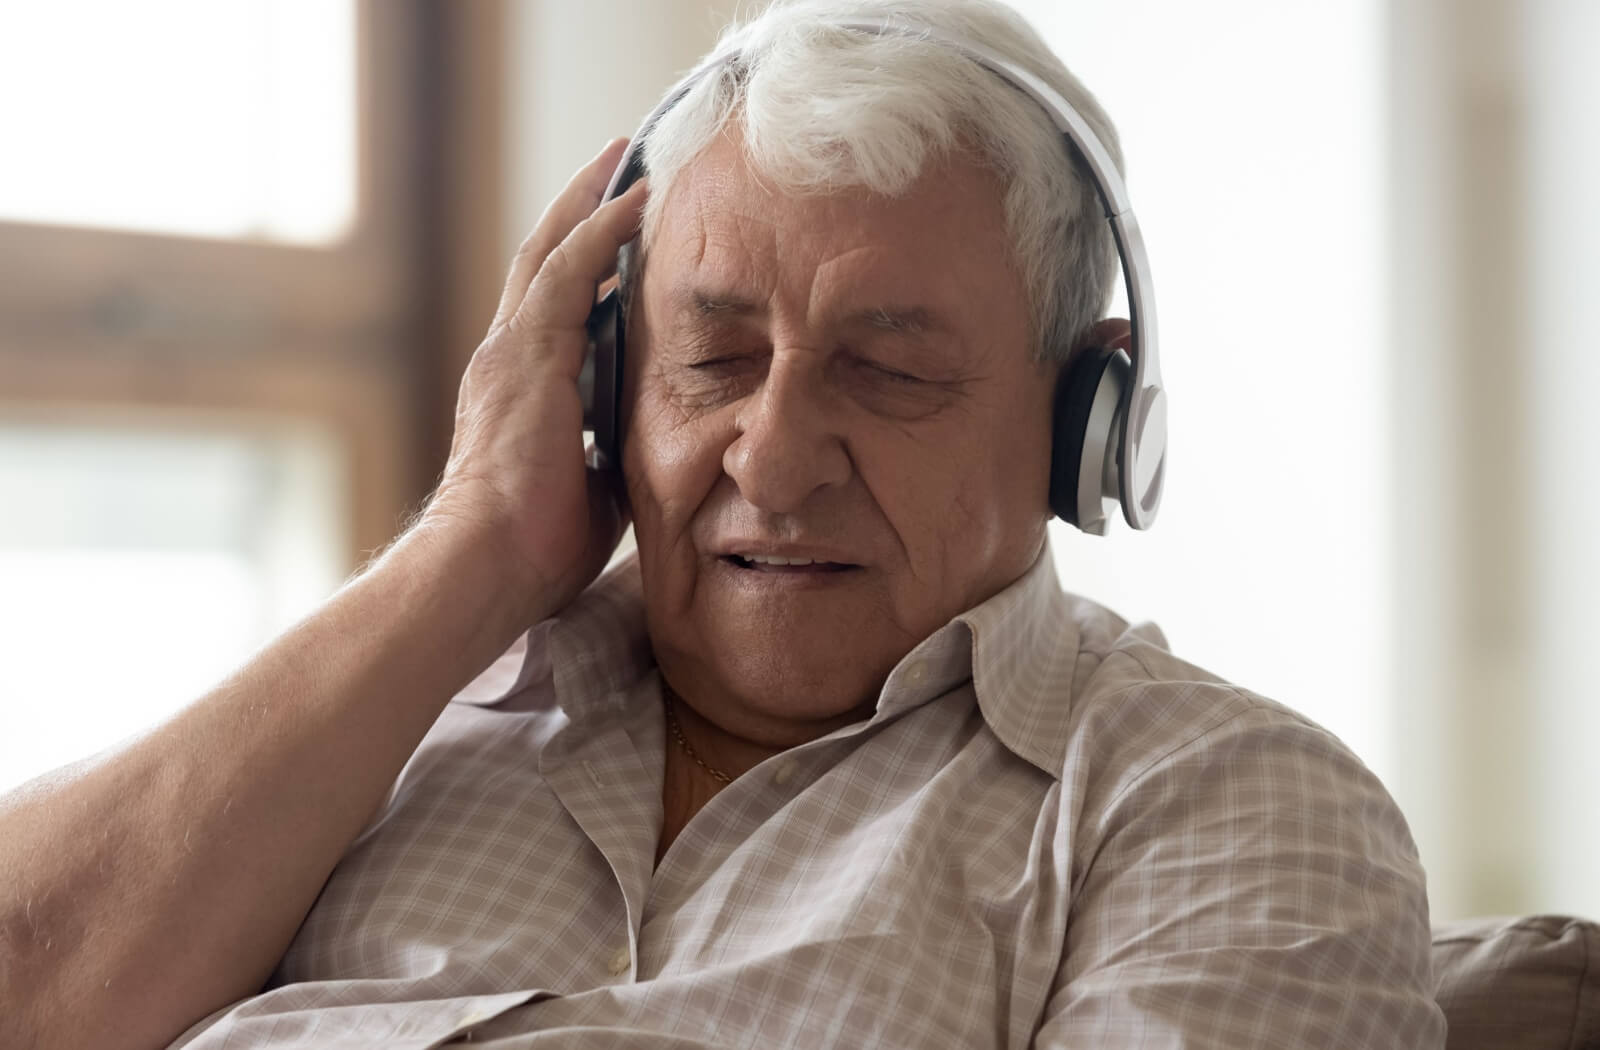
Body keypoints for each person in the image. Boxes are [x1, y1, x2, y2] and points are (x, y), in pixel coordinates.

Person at [0, 1, 1445, 1047]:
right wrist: (465, 551)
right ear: (607, 378)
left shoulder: (1227, 810)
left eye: (888, 369)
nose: (776, 451)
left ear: (1088, 424)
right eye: (714, 354)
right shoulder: (381, 719)